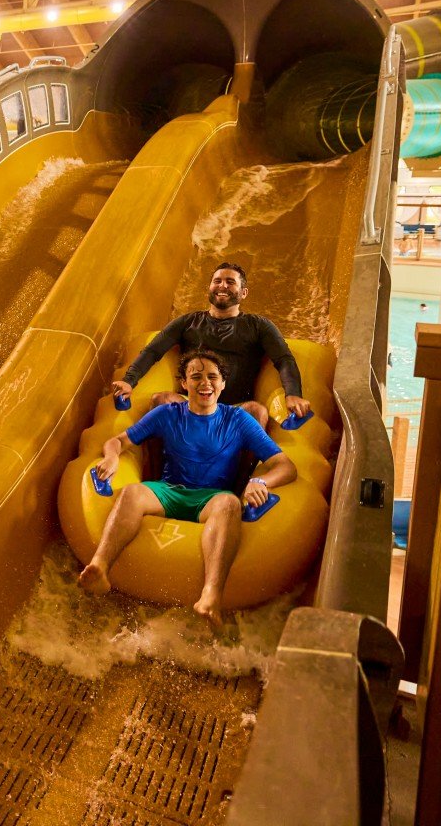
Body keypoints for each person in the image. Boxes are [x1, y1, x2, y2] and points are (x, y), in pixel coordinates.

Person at [79, 350, 296, 630]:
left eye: (212, 377)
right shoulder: (168, 414)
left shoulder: (238, 420)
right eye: (196, 376)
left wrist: (261, 482)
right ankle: (99, 567)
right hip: (169, 491)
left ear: (223, 384)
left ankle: (210, 596)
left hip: (211, 498)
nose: (205, 383)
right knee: (132, 492)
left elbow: (285, 466)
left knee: (229, 504)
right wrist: (111, 458)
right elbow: (117, 441)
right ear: (184, 383)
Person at [111, 262, 311, 428]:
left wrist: (293, 394)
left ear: (243, 293)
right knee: (161, 400)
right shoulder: (187, 322)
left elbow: (283, 359)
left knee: (256, 410)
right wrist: (129, 381)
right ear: (209, 288)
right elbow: (153, 351)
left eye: (230, 282)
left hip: (234, 408)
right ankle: (156, 463)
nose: (223, 286)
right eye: (217, 281)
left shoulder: (258, 326)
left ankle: (246, 467)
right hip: (191, 404)